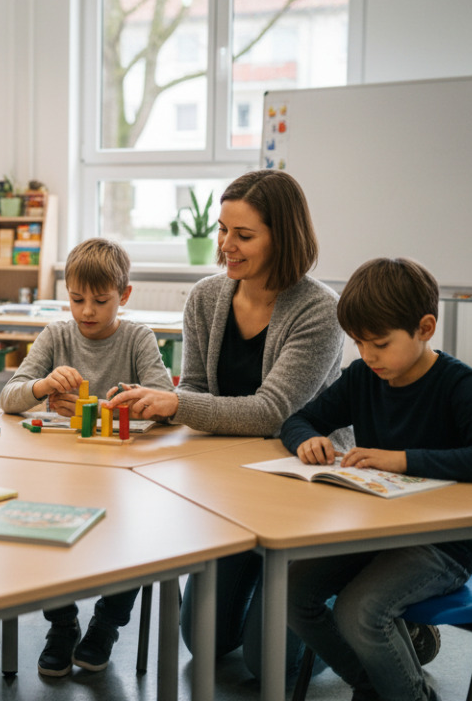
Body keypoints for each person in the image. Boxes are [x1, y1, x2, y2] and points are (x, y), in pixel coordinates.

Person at [107, 169, 346, 681]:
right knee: (205, 643)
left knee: (269, 664)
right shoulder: (208, 297)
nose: (225, 246)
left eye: (243, 235)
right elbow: (194, 388)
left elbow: (272, 412)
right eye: (222, 230)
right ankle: (263, 585)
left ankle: (359, 619)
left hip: (306, 483)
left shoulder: (320, 310)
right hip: (234, 479)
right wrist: (151, 403)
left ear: (283, 236)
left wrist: (172, 404)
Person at [282, 257, 472, 701]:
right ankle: (377, 687)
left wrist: (404, 460)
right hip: (376, 534)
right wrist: (306, 440)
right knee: (291, 590)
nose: (368, 355)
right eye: (358, 343)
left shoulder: (459, 384)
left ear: (425, 328)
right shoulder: (363, 378)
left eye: (380, 343)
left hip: (443, 546)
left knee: (360, 610)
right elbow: (299, 419)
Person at [0, 237, 174, 677]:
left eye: (101, 300)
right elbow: (8, 397)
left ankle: (107, 624)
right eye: (77, 300)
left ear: (125, 296)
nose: (87, 312)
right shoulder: (57, 334)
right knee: (42, 529)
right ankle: (62, 624)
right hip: (60, 470)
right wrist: (41, 388)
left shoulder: (137, 337)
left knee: (136, 541)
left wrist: (95, 407)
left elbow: (166, 402)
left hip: (122, 473)